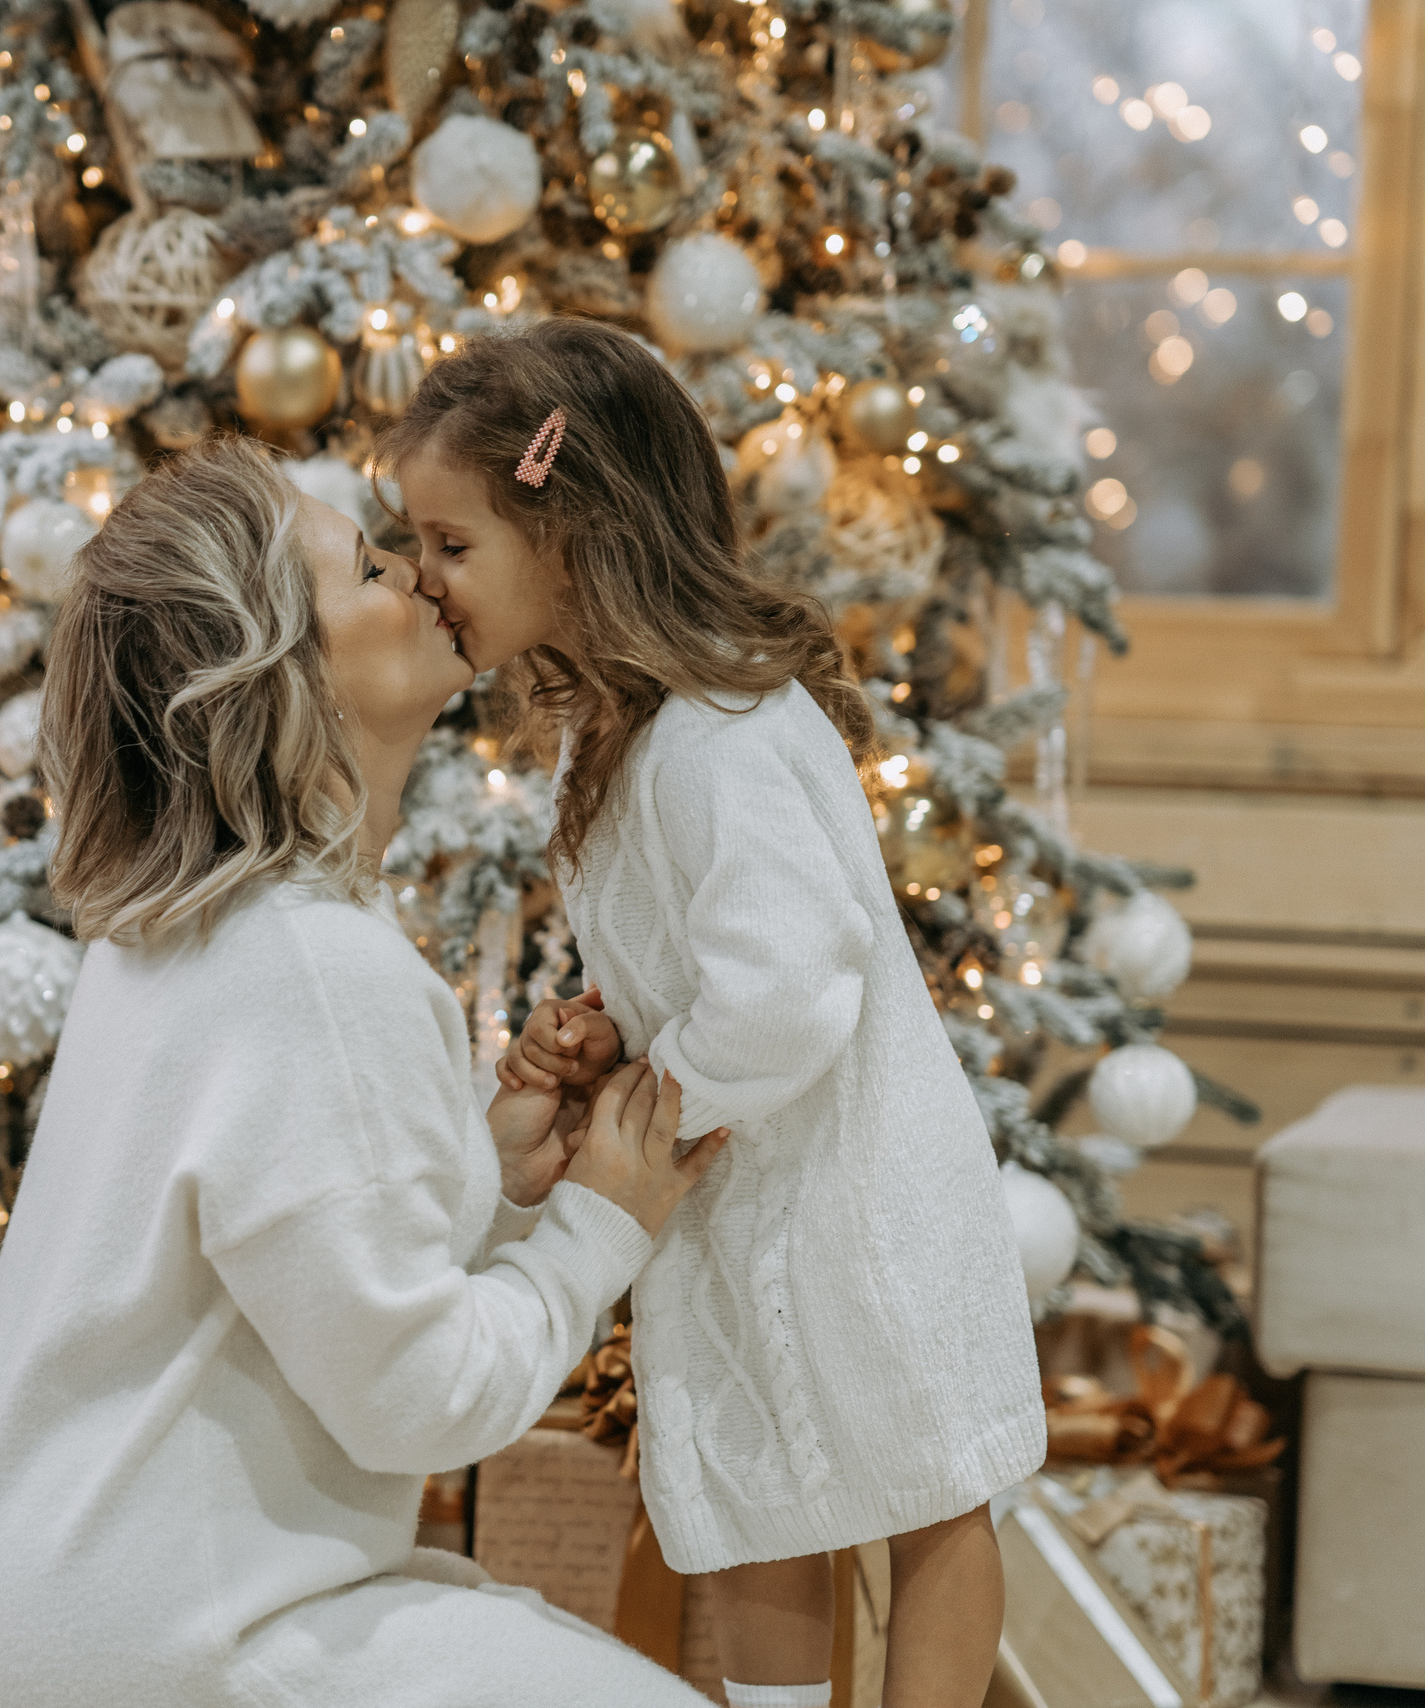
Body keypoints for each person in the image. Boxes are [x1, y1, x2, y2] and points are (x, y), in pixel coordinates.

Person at [0, 436, 731, 1708]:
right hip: (162, 1642)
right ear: (278, 669)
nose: (415, 574)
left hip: (52, 1610)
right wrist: (594, 1230)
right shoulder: (310, 970)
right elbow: (419, 1399)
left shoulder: (191, 937)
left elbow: (285, 1258)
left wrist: (495, 1174)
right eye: (366, 567)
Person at [378, 317, 1046, 1708]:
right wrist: (610, 1033)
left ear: (572, 530)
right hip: (746, 1202)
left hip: (851, 1197)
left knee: (930, 1484)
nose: (423, 581)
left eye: (451, 545)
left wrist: (647, 1105)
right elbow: (702, 961)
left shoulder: (716, 737)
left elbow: (793, 985)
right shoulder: (626, 738)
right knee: (759, 1504)